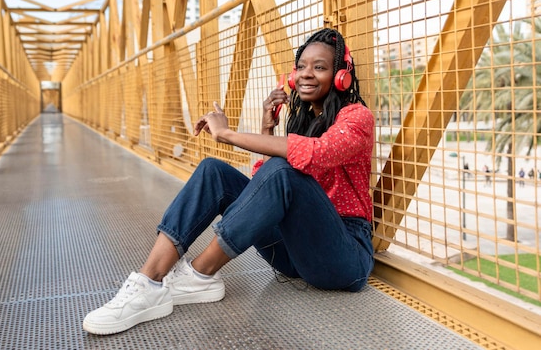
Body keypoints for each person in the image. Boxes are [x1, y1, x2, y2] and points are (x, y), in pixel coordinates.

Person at [82, 28, 375, 335]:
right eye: (301, 66)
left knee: (282, 169)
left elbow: (317, 154)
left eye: (319, 67)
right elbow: (265, 184)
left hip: (342, 258)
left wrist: (228, 135)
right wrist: (266, 126)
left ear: (340, 76)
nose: (306, 74)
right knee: (213, 171)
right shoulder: (302, 121)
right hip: (295, 256)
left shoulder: (356, 118)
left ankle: (200, 274)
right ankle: (149, 282)